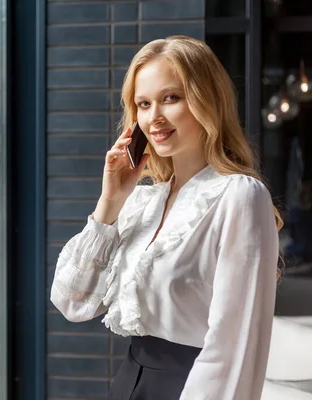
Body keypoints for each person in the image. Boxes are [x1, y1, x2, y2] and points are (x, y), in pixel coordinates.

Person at [50, 35, 282, 400]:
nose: (153, 117)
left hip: (193, 386)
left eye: (170, 98)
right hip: (129, 384)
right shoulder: (143, 202)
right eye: (143, 104)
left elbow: (235, 343)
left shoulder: (239, 196)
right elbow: (72, 303)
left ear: (207, 100)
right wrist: (110, 202)